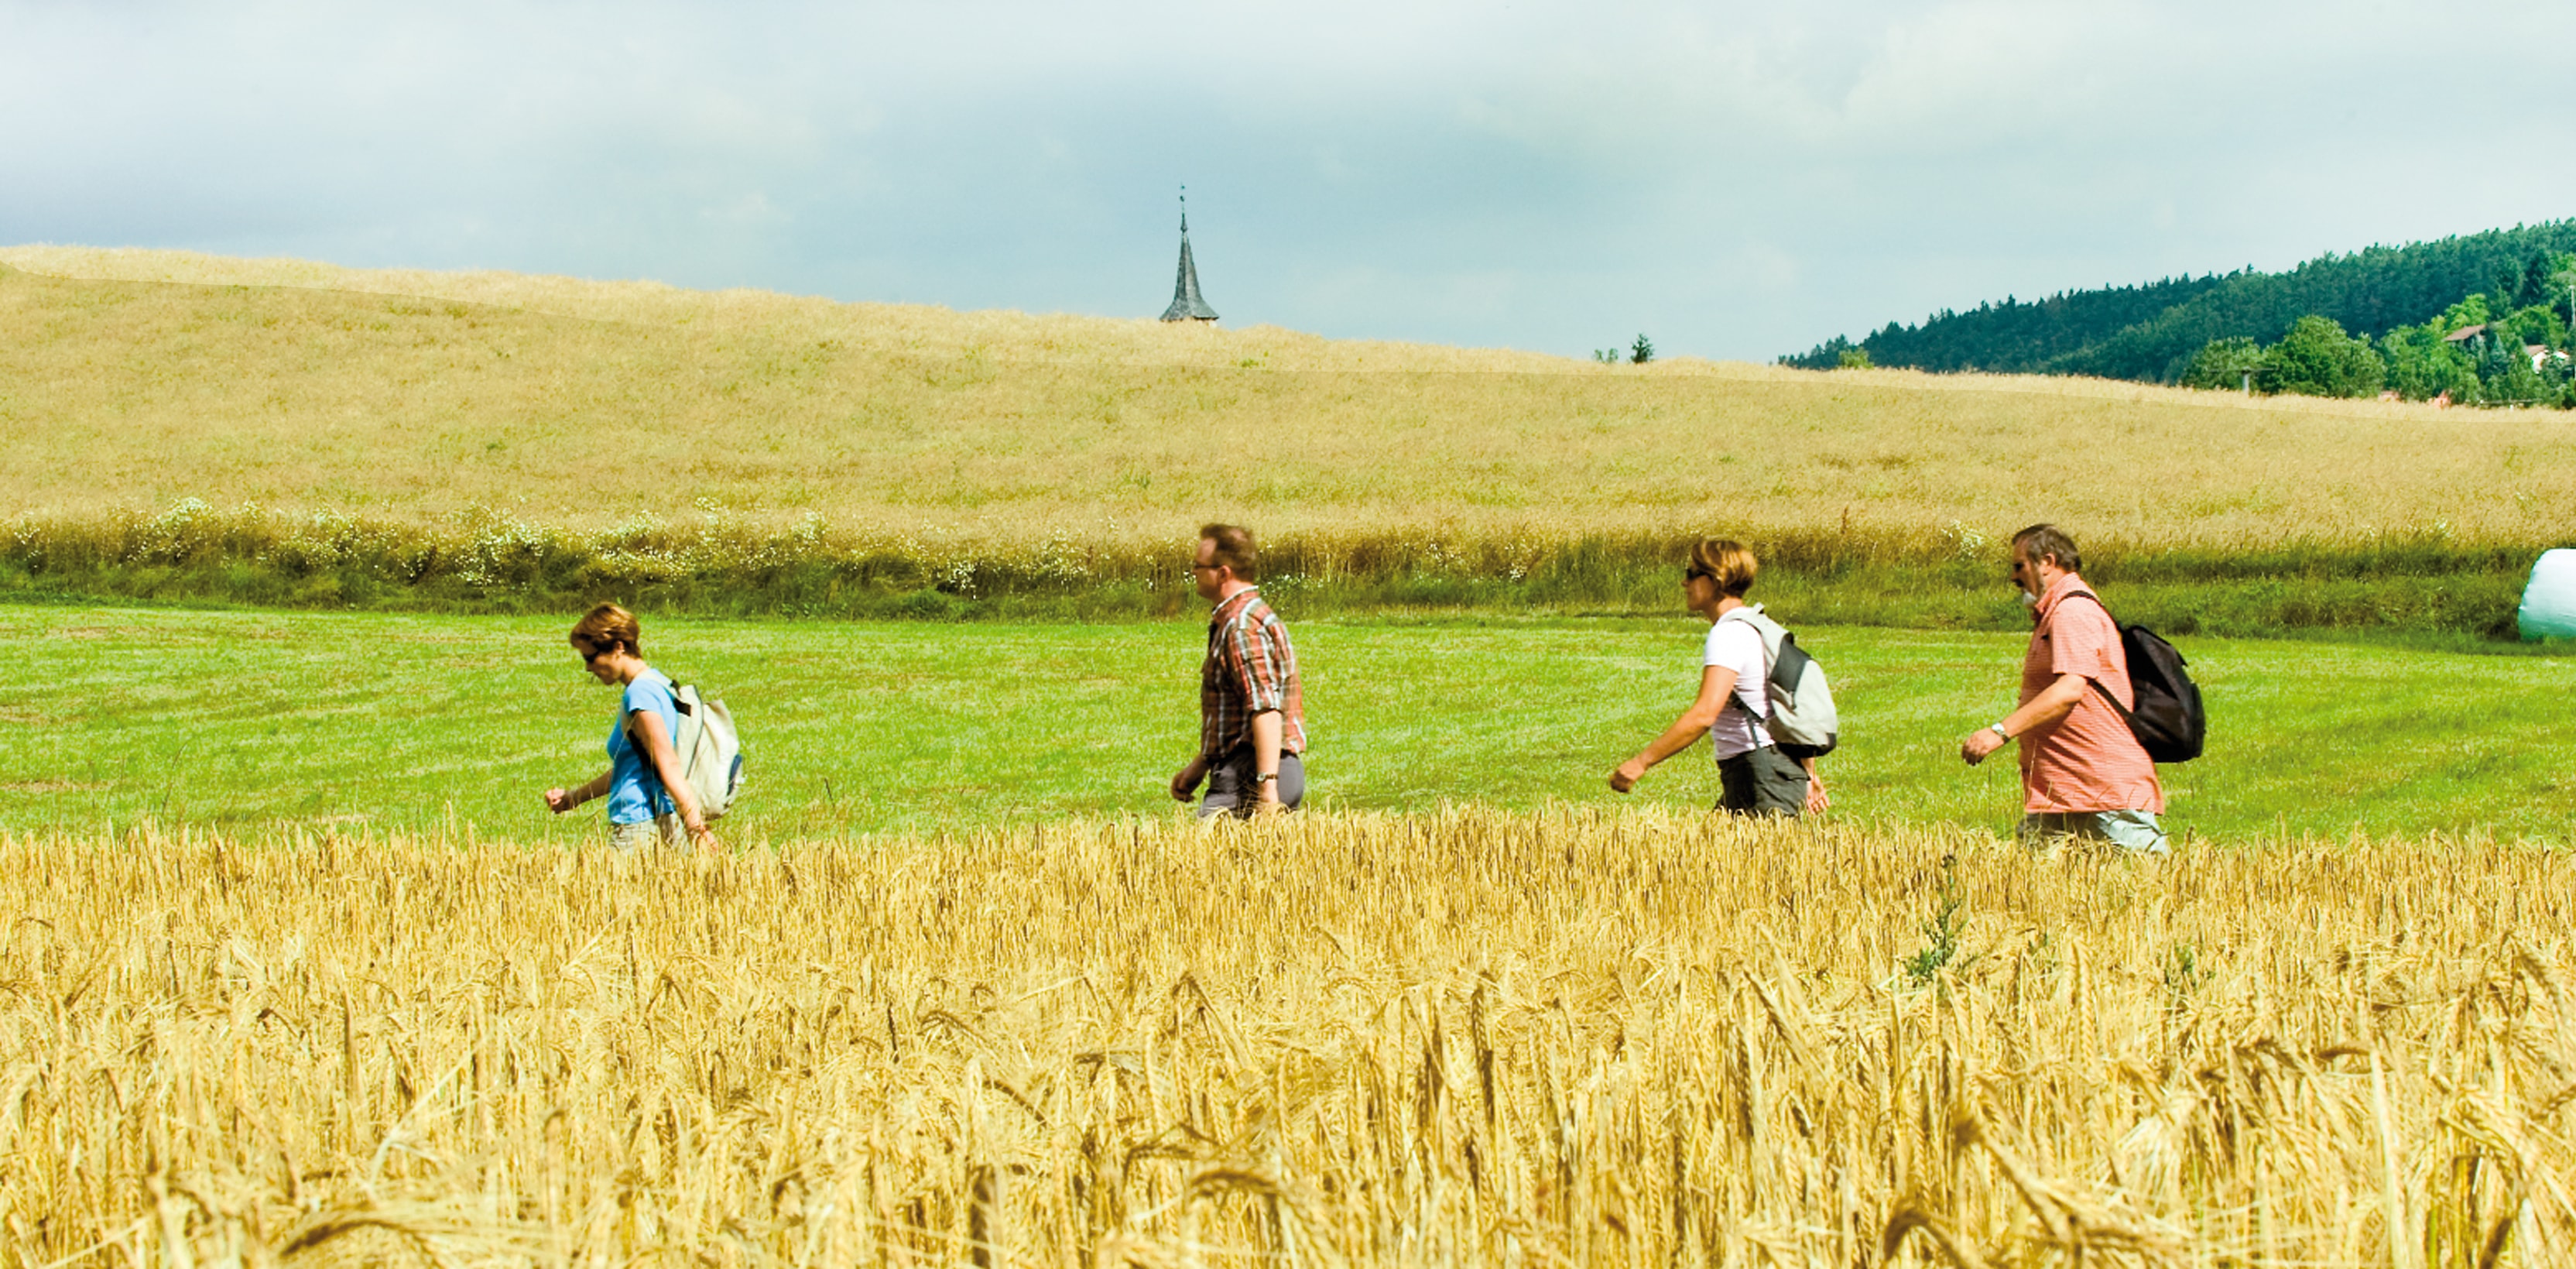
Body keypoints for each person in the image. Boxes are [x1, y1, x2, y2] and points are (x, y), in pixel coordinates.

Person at [1958, 524, 2167, 854]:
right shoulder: (2055, 612)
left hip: (2101, 786)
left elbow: (2070, 688)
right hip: (2064, 788)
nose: (2013, 577)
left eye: (2019, 566)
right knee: (2032, 889)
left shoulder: (2072, 611)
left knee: (2148, 883)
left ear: (2047, 562)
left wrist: (1999, 732)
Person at [1609, 539, 1828, 816]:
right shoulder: (1758, 624)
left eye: (1691, 573)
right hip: (1768, 770)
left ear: (1715, 579)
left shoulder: (1729, 634)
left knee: (1755, 859)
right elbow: (1786, 703)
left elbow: (1704, 715)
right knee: (1712, 854)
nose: (1684, 583)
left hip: (1760, 773)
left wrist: (1641, 762)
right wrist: (1806, 774)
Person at [543, 603, 720, 851]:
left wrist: (697, 827)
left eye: (590, 657)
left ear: (618, 648)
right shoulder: (658, 683)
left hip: (639, 827)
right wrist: (574, 798)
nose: (587, 667)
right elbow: (632, 770)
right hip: (654, 820)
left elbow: (667, 763)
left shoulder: (640, 693)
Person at [1170, 524, 1307, 818]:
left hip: (1248, 774)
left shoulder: (1242, 628)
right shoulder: (1252, 616)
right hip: (1256, 767)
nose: (1193, 572)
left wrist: (1268, 788)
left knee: (1211, 862)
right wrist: (1200, 765)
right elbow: (1238, 717)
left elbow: (1266, 708)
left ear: (1223, 573)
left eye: (1198, 566)